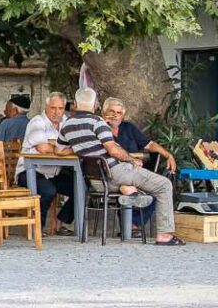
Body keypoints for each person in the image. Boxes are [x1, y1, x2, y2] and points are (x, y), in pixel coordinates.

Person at [55, 87, 182, 246]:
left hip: (96, 181)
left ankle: (128, 190)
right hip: (114, 171)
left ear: (75, 104)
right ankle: (165, 235)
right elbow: (112, 149)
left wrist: (81, 146)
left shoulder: (67, 124)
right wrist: (131, 160)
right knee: (164, 184)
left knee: (128, 182)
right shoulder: (97, 122)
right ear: (96, 104)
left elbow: (59, 150)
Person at [102, 97, 177, 238]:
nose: (115, 115)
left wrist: (168, 155)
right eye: (111, 111)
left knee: (154, 192)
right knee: (158, 186)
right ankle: (127, 193)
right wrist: (104, 126)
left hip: (132, 172)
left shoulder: (128, 128)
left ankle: (133, 224)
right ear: (104, 112)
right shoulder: (100, 129)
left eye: (119, 112)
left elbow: (149, 144)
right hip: (112, 173)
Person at [16, 92, 77, 234]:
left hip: (53, 173)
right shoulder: (37, 122)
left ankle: (62, 221)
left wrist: (51, 143)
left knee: (81, 188)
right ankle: (38, 228)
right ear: (46, 107)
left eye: (60, 108)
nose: (57, 112)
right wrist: (62, 147)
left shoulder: (66, 122)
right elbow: (43, 148)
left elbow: (76, 143)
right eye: (53, 108)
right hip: (29, 172)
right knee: (48, 190)